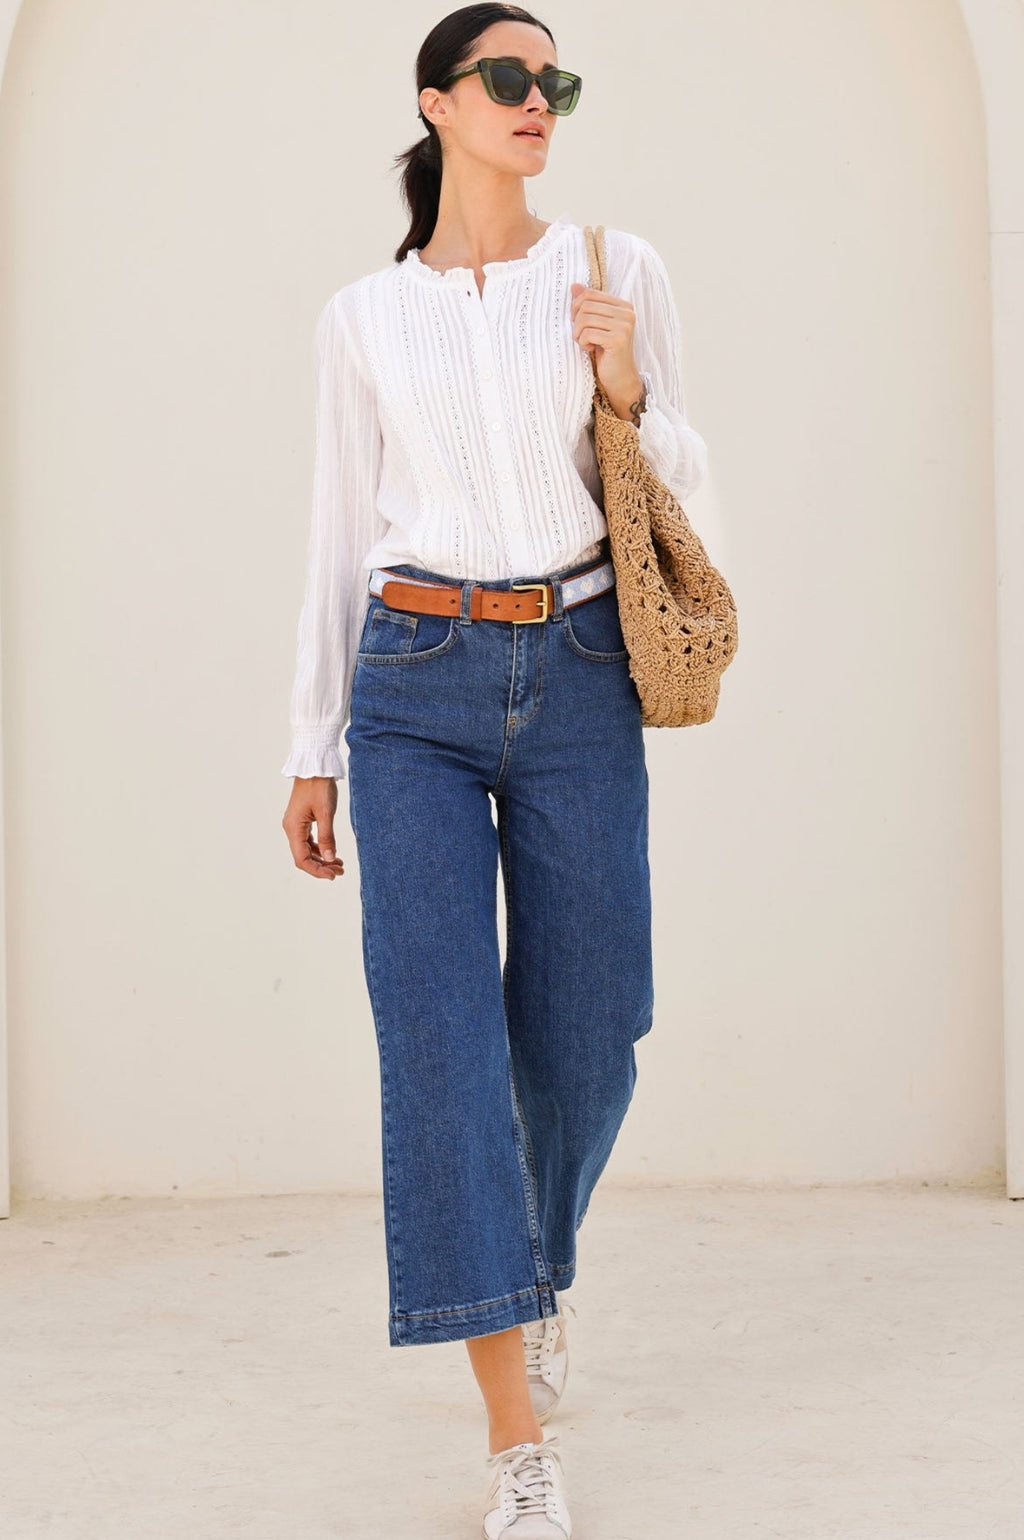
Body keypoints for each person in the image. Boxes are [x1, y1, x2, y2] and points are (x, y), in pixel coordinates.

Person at [280, 6, 708, 1535]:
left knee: (592, 1028)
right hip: (410, 685)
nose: (539, 102)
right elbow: (340, 528)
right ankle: (514, 1434)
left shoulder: (613, 266)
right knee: (442, 1044)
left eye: (554, 82)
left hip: (581, 669)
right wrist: (310, 744)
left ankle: (535, 1270)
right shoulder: (363, 318)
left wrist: (627, 386)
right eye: (511, 79)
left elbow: (686, 480)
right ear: (439, 104)